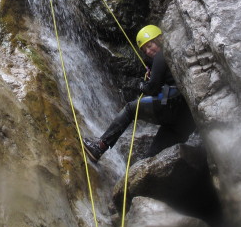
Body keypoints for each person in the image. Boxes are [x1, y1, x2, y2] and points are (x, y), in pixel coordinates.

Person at [82, 25, 196, 163]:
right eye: (145, 49)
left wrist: (141, 84)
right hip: (186, 120)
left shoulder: (162, 54)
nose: (149, 51)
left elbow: (152, 88)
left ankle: (99, 146)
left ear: (159, 39)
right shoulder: (175, 54)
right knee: (151, 157)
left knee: (130, 109)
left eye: (150, 44)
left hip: (172, 105)